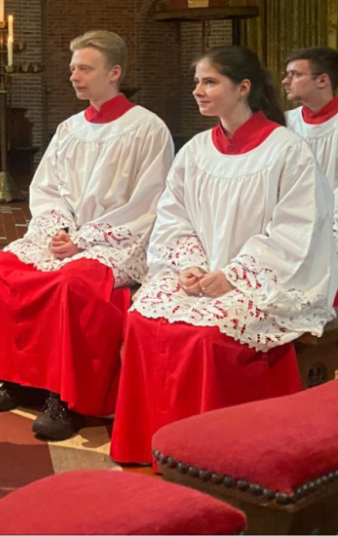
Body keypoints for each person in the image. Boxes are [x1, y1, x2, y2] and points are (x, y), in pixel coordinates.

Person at [111, 46, 336, 465]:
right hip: (201, 273)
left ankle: (215, 457)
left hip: (269, 279)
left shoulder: (285, 150)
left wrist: (235, 274)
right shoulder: (196, 150)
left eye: (209, 81)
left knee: (208, 338)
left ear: (244, 87)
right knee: (144, 319)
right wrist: (190, 264)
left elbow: (296, 229)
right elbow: (174, 216)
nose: (198, 90)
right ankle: (156, 445)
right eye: (197, 81)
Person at [0, 31, 173, 441]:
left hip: (118, 239)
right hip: (65, 233)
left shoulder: (147, 129)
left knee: (75, 285)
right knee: (0, 270)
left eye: (85, 68)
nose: (74, 76)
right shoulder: (70, 128)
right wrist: (58, 228)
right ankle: (19, 378)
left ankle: (67, 397)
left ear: (114, 73)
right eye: (73, 68)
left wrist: (86, 239)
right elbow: (48, 189)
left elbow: (148, 201)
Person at [283, 47, 338, 189]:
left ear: (322, 80)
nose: (285, 81)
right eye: (287, 74)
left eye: (294, 74)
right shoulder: (285, 123)